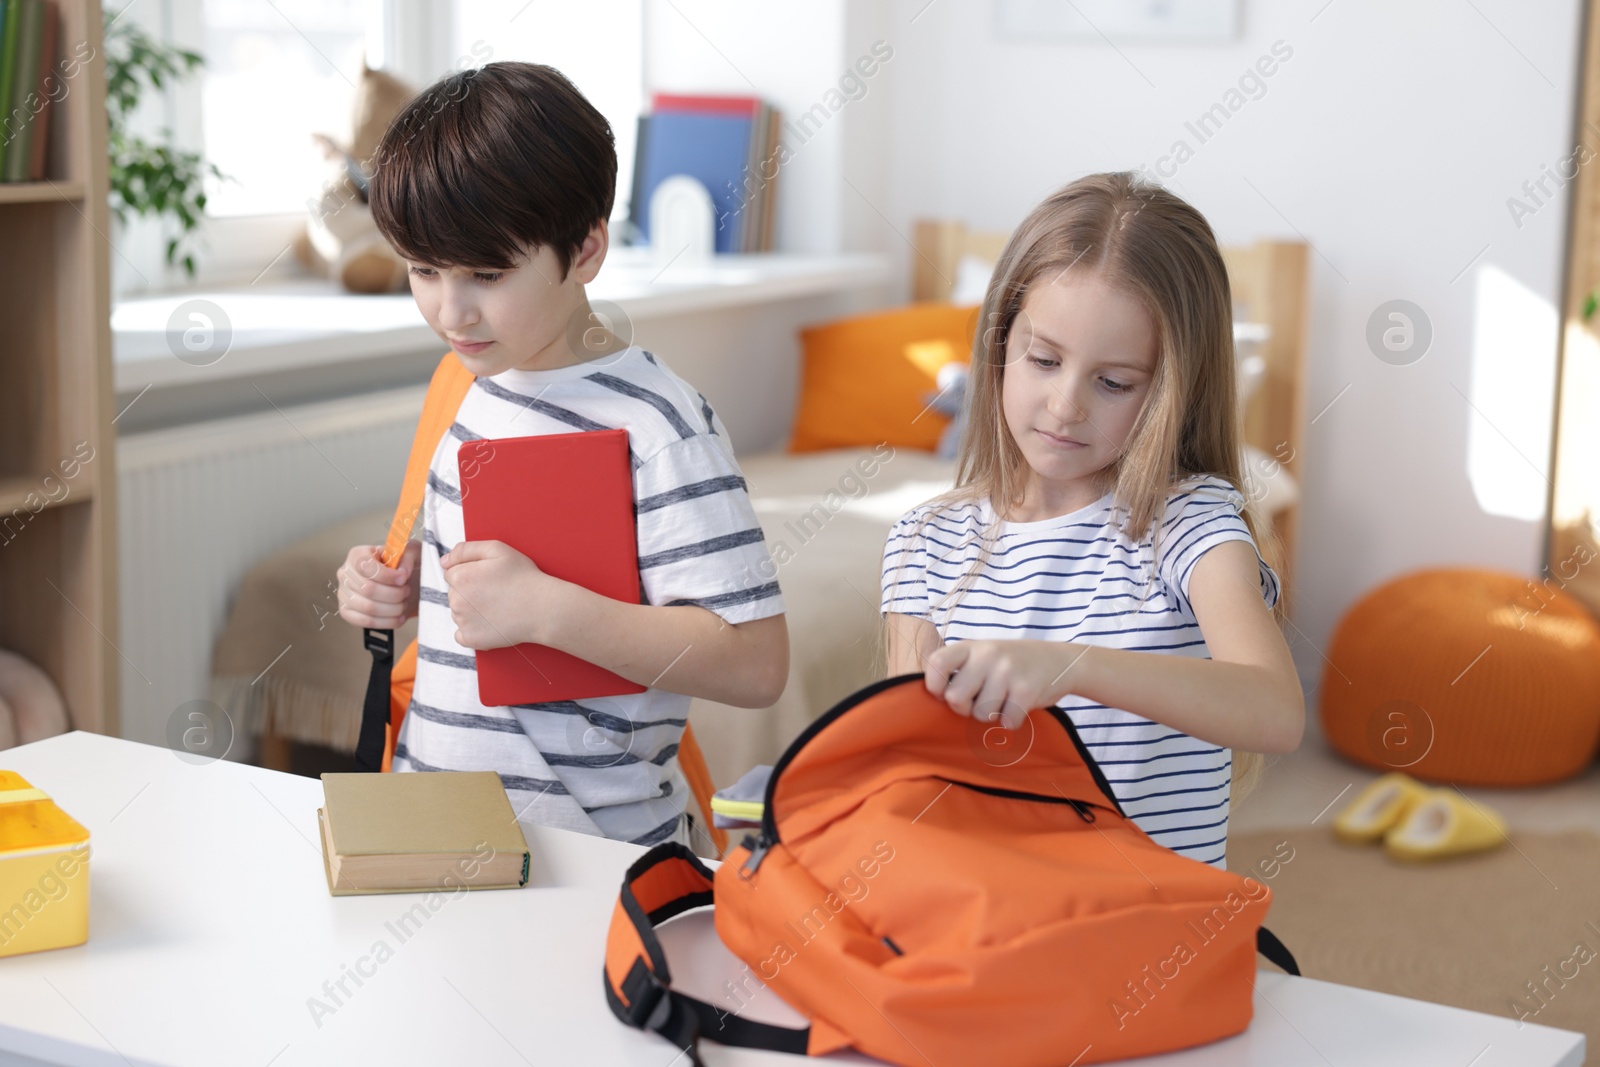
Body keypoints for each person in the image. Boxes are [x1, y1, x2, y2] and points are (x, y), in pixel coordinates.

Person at [335, 62, 789, 850]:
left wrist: (545, 610)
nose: (450, 308)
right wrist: (405, 590)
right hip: (438, 830)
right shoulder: (467, 384)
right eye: (423, 269)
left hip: (592, 855)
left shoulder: (659, 426)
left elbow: (755, 663)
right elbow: (481, 591)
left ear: (583, 250)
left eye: (486, 273)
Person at [880, 172, 1304, 870]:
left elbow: (1275, 712)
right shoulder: (924, 541)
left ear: (1173, 389)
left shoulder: (1189, 525)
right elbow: (903, 758)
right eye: (1043, 360)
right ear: (998, 346)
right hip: (987, 923)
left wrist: (1069, 666)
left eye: (1113, 382)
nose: (1065, 405)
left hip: (1146, 942)